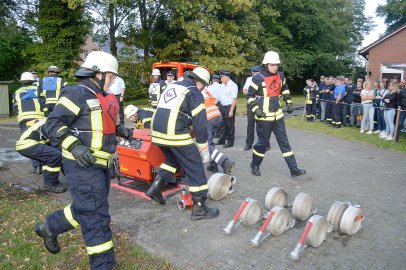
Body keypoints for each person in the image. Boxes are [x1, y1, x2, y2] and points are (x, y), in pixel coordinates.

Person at [35, 51, 133, 269]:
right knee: (96, 217)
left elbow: (96, 124)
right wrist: (75, 146)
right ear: (97, 73)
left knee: (88, 208)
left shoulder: (102, 96)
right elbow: (53, 124)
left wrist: (119, 129)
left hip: (100, 166)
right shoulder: (76, 94)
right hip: (82, 166)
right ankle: (103, 265)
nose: (113, 81)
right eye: (111, 76)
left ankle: (50, 227)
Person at [146, 67, 219, 221]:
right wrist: (204, 149)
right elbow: (201, 124)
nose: (204, 88)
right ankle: (199, 208)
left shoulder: (173, 86)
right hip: (174, 134)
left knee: (172, 161)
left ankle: (155, 189)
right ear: (199, 82)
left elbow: (176, 111)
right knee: (196, 167)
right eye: (204, 85)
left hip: (157, 133)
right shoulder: (194, 93)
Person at [247, 51, 306, 177]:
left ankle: (294, 169)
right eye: (272, 65)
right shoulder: (258, 78)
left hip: (278, 116)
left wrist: (288, 101)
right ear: (266, 64)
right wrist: (256, 110)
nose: (275, 67)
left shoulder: (281, 75)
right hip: (263, 118)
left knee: (284, 143)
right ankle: (255, 165)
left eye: (276, 65)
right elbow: (250, 97)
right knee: (262, 144)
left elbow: (284, 88)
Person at [16, 119, 66, 193]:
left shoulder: (50, 121)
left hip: (26, 144)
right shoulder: (55, 125)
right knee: (56, 156)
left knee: (51, 157)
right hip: (28, 144)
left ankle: (49, 182)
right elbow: (59, 148)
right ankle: (50, 184)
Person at [12, 72, 45, 174]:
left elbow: (15, 108)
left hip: (24, 120)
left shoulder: (16, 92)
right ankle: (45, 165)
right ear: (32, 81)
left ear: (22, 82)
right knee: (42, 140)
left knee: (30, 142)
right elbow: (44, 103)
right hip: (39, 118)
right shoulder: (38, 90)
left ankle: (37, 167)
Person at [201, 85, 235, 175]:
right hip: (217, 116)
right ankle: (213, 165)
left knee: (206, 144)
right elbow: (216, 101)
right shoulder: (205, 91)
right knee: (210, 142)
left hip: (208, 118)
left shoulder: (192, 92)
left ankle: (224, 161)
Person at [243, 66, 270, 151]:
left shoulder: (264, 79)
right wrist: (251, 93)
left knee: (262, 125)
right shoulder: (249, 79)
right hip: (251, 105)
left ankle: (265, 143)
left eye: (255, 73)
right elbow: (244, 91)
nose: (253, 75)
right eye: (253, 73)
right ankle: (248, 144)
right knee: (250, 125)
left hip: (261, 105)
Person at [216, 70, 238, 148]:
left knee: (230, 126)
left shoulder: (233, 86)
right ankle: (221, 140)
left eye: (222, 77)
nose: (221, 79)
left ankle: (230, 142)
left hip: (229, 107)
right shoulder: (222, 85)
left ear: (226, 77)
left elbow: (234, 99)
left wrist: (231, 111)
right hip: (222, 106)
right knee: (222, 124)